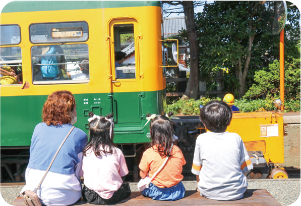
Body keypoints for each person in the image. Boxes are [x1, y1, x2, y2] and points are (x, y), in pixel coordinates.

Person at [20, 90, 87, 205]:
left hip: (33, 191)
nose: (76, 112)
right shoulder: (79, 134)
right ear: (68, 112)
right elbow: (80, 171)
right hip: (64, 195)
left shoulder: (38, 128)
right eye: (75, 109)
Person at [192, 100, 253, 201]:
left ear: (204, 123)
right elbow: (245, 168)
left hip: (208, 191)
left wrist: (200, 186)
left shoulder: (201, 139)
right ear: (229, 121)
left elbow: (197, 169)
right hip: (237, 192)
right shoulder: (236, 138)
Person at [81, 112, 131, 205]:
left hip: (91, 196)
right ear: (110, 133)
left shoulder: (85, 152)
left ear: (90, 133)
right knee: (127, 188)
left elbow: (82, 174)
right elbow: (123, 174)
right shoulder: (117, 151)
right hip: (114, 196)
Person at [139, 114, 186, 201]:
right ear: (170, 132)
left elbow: (142, 175)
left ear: (151, 132)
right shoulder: (177, 150)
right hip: (177, 192)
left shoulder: (148, 152)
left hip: (157, 192)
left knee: (143, 185)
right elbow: (179, 167)